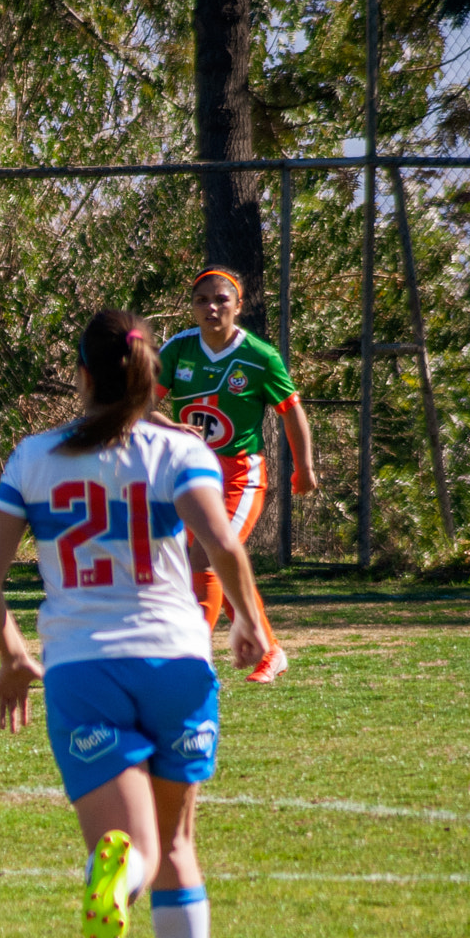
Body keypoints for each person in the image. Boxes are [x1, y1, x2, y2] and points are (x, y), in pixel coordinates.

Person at [0, 309, 271, 938]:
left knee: (131, 843)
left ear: (83, 374)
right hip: (177, 660)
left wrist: (11, 652)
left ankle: (119, 870)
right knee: (178, 842)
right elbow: (224, 543)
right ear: (151, 376)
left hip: (84, 665)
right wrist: (248, 622)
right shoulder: (179, 448)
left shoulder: (35, 457)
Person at [157, 267, 317, 683]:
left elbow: (291, 410)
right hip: (187, 475)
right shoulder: (178, 349)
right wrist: (168, 426)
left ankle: (188, 658)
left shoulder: (261, 356)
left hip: (238, 475)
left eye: (221, 299)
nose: (211, 307)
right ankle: (270, 651)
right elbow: (136, 404)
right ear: (191, 307)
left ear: (238, 305)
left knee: (207, 556)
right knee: (211, 564)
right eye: (201, 300)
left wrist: (305, 468)